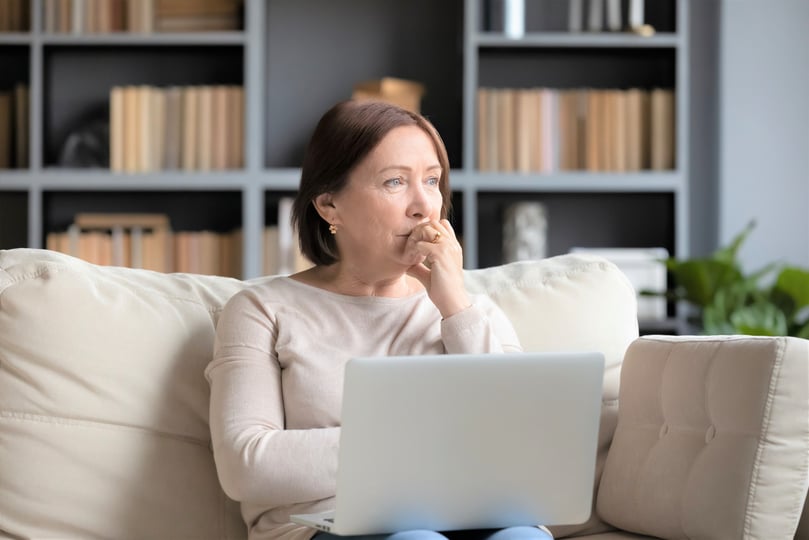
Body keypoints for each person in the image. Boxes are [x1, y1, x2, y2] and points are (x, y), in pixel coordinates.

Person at [205, 100, 553, 540]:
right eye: (395, 182)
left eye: (432, 180)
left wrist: (455, 308)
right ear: (330, 206)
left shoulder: (467, 309)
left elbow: (519, 448)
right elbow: (246, 465)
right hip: (331, 526)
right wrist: (426, 446)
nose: (424, 206)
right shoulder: (260, 310)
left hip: (468, 517)